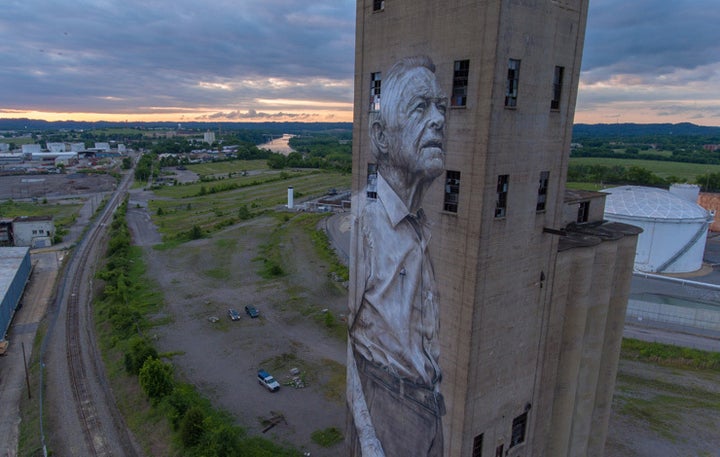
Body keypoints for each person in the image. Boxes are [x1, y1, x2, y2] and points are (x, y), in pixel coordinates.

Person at [347, 55, 447, 457]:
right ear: (382, 136)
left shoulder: (418, 226)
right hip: (388, 410)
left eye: (441, 106)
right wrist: (370, 439)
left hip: (429, 412)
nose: (439, 119)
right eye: (421, 107)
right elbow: (345, 343)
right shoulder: (361, 225)